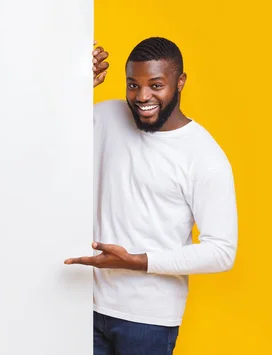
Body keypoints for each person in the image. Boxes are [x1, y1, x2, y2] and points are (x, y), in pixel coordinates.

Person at [66, 37, 238, 354]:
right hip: (82, 305)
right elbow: (48, 137)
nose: (143, 96)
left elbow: (222, 251)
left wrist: (137, 262)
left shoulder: (205, 157)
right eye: (133, 85)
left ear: (180, 81)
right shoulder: (105, 117)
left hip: (149, 322)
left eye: (156, 85)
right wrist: (74, 87)